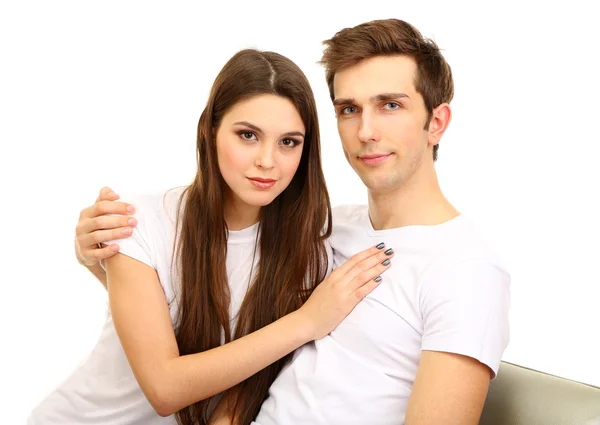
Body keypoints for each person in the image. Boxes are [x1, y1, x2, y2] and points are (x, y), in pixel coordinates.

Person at [66, 18, 511, 425]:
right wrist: (106, 263)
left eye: (390, 105)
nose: (366, 131)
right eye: (349, 109)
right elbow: (240, 357)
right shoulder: (324, 231)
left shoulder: (465, 271)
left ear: (437, 122)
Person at [27, 48, 395, 425]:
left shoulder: (307, 252)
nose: (267, 160)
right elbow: (164, 389)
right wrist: (307, 322)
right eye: (248, 135)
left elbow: (242, 396)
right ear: (210, 130)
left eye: (288, 142)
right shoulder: (139, 223)